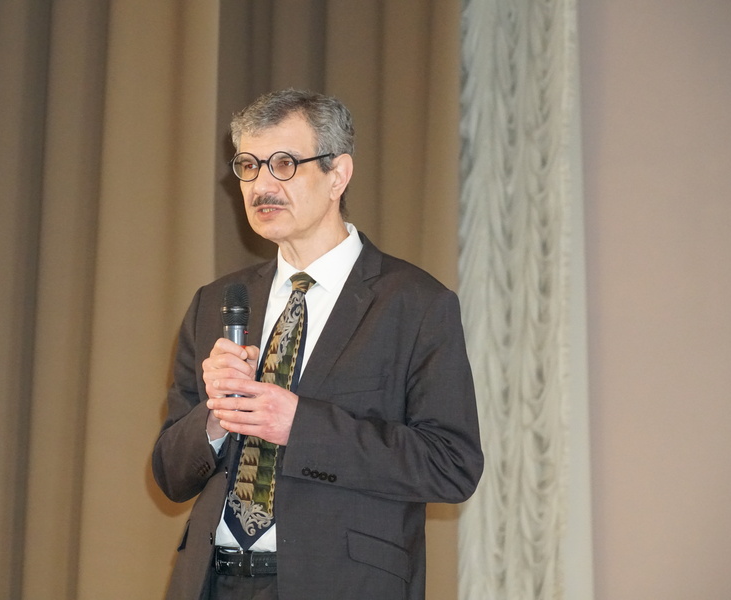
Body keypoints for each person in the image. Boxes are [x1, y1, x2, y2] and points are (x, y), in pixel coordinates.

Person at [152, 89, 483, 600]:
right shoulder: (216, 302)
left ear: (337, 175)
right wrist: (216, 416)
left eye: (284, 164)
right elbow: (171, 476)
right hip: (212, 584)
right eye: (248, 166)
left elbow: (450, 466)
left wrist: (300, 426)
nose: (262, 185)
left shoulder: (415, 303)